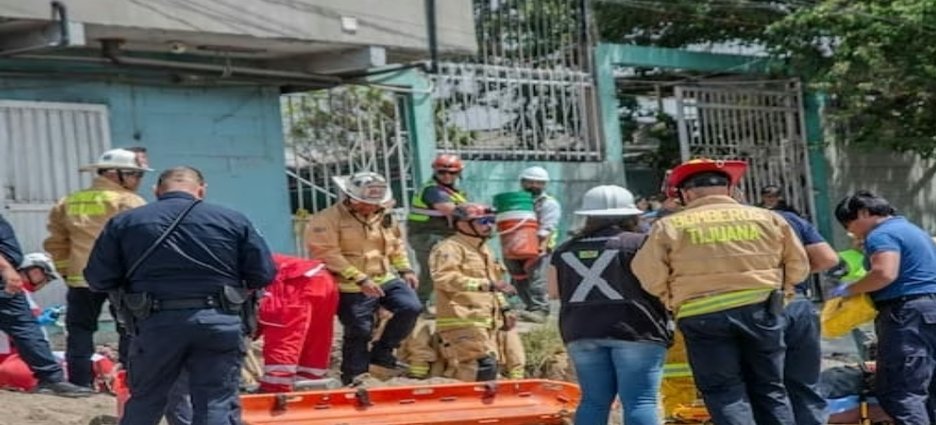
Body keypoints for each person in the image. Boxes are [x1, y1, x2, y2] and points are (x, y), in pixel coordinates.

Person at [84, 166, 276, 424]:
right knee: (215, 402)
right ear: (201, 190)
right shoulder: (233, 220)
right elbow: (263, 274)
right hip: (219, 322)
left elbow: (98, 278)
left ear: (156, 190)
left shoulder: (125, 222)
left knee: (145, 400)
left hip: (154, 325)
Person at [632, 158, 810, 425]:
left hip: (701, 314)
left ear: (687, 193)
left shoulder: (669, 226)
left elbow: (648, 273)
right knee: (770, 388)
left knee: (724, 392)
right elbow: (798, 265)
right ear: (728, 190)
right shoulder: (768, 218)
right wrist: (781, 291)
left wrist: (673, 298)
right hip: (762, 311)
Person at [548, 185, 672, 425]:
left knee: (593, 401)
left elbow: (553, 292)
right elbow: (660, 283)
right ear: (631, 214)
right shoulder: (641, 243)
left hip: (581, 331)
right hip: (637, 328)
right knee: (640, 401)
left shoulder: (564, 250)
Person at [44, 148, 151, 388]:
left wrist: (65, 271)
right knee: (128, 329)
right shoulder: (129, 202)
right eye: (136, 175)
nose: (138, 180)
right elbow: (142, 240)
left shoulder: (69, 201)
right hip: (121, 279)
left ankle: (80, 384)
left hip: (81, 278)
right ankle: (129, 382)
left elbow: (56, 243)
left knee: (80, 330)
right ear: (116, 174)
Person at [829, 190, 936, 424]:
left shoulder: (881, 234)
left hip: (907, 315)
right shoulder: (915, 231)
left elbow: (884, 273)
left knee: (902, 392)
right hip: (929, 310)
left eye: (850, 223)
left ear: (864, 212)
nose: (850, 231)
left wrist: (848, 289)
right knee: (928, 389)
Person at [306, 172, 422, 385]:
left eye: (374, 203)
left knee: (410, 306)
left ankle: (383, 351)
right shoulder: (327, 219)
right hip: (349, 284)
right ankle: (354, 377)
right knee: (359, 330)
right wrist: (359, 278)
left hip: (383, 276)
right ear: (350, 197)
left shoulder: (385, 216)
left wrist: (405, 269)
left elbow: (396, 246)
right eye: (365, 202)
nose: (370, 207)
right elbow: (327, 253)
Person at [430, 203, 518, 382]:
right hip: (461, 319)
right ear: (461, 224)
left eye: (492, 221)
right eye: (483, 221)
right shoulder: (449, 248)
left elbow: (495, 284)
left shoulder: (485, 250)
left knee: (490, 367)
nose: (489, 226)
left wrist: (505, 310)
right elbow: (444, 278)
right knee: (478, 366)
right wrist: (484, 284)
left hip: (485, 321)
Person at [772, 210, 839, 425]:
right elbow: (828, 258)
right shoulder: (788, 219)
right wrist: (795, 275)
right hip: (798, 303)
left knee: (768, 386)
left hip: (758, 306)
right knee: (805, 384)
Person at [0, 250, 92, 397]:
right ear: (31, 269)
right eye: (43, 276)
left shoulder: (18, 294)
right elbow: (21, 329)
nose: (44, 282)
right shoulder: (14, 294)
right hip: (12, 359)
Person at [257, 253, 338, 393]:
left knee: (284, 335)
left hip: (294, 282)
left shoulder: (229, 265)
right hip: (324, 280)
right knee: (316, 338)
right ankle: (310, 385)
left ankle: (276, 389)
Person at [407, 154, 469, 306]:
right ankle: (418, 304)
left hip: (440, 235)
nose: (447, 175)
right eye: (442, 172)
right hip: (426, 235)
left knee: (450, 269)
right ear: (435, 171)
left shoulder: (451, 191)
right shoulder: (433, 190)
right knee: (432, 270)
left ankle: (451, 304)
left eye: (452, 173)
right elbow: (452, 211)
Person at [506, 166, 560, 323]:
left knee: (536, 278)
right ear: (522, 182)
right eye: (530, 182)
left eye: (539, 183)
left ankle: (541, 310)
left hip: (537, 246)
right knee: (518, 277)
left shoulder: (548, 203)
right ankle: (529, 307)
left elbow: (548, 227)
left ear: (545, 185)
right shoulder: (517, 201)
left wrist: (540, 247)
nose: (534, 185)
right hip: (516, 245)